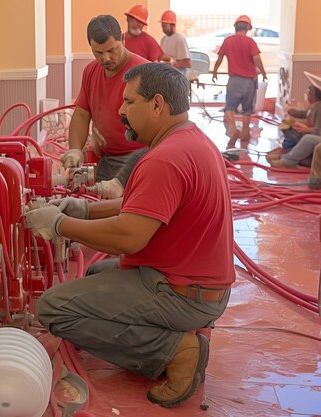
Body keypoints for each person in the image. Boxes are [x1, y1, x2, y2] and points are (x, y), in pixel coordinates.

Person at [26, 63, 234, 407]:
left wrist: (59, 225)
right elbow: (145, 206)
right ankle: (162, 335)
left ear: (156, 104)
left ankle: (177, 351)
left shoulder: (164, 160)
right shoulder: (190, 140)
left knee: (54, 309)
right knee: (95, 273)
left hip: (183, 293)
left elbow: (128, 237)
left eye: (128, 102)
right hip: (199, 283)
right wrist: (85, 210)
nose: (120, 111)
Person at [61, 15, 148, 181]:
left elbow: (160, 126)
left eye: (111, 50)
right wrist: (75, 150)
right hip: (106, 161)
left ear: (122, 39)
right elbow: (81, 114)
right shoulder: (90, 72)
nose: (106, 58)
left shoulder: (144, 72)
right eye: (98, 53)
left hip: (139, 161)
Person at [212, 15, 268, 149]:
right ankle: (244, 135)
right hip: (249, 82)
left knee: (230, 108)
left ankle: (233, 129)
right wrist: (264, 73)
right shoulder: (250, 42)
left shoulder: (228, 41)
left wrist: (214, 71)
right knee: (247, 110)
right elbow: (257, 59)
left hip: (234, 81)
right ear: (248, 28)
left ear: (235, 27)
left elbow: (219, 58)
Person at [271, 84, 321, 154]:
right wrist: (289, 110)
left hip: (310, 136)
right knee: (286, 125)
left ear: (314, 97)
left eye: (308, 93)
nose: (306, 95)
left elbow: (317, 131)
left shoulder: (319, 108)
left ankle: (291, 151)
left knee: (290, 131)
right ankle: (290, 149)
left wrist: (301, 129)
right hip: (307, 133)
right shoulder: (313, 107)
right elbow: (302, 113)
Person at [158, 10, 191, 77]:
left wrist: (171, 64)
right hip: (166, 76)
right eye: (162, 26)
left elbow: (187, 63)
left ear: (172, 25)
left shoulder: (179, 39)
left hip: (178, 77)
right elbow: (161, 57)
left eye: (164, 26)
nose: (163, 29)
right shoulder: (163, 39)